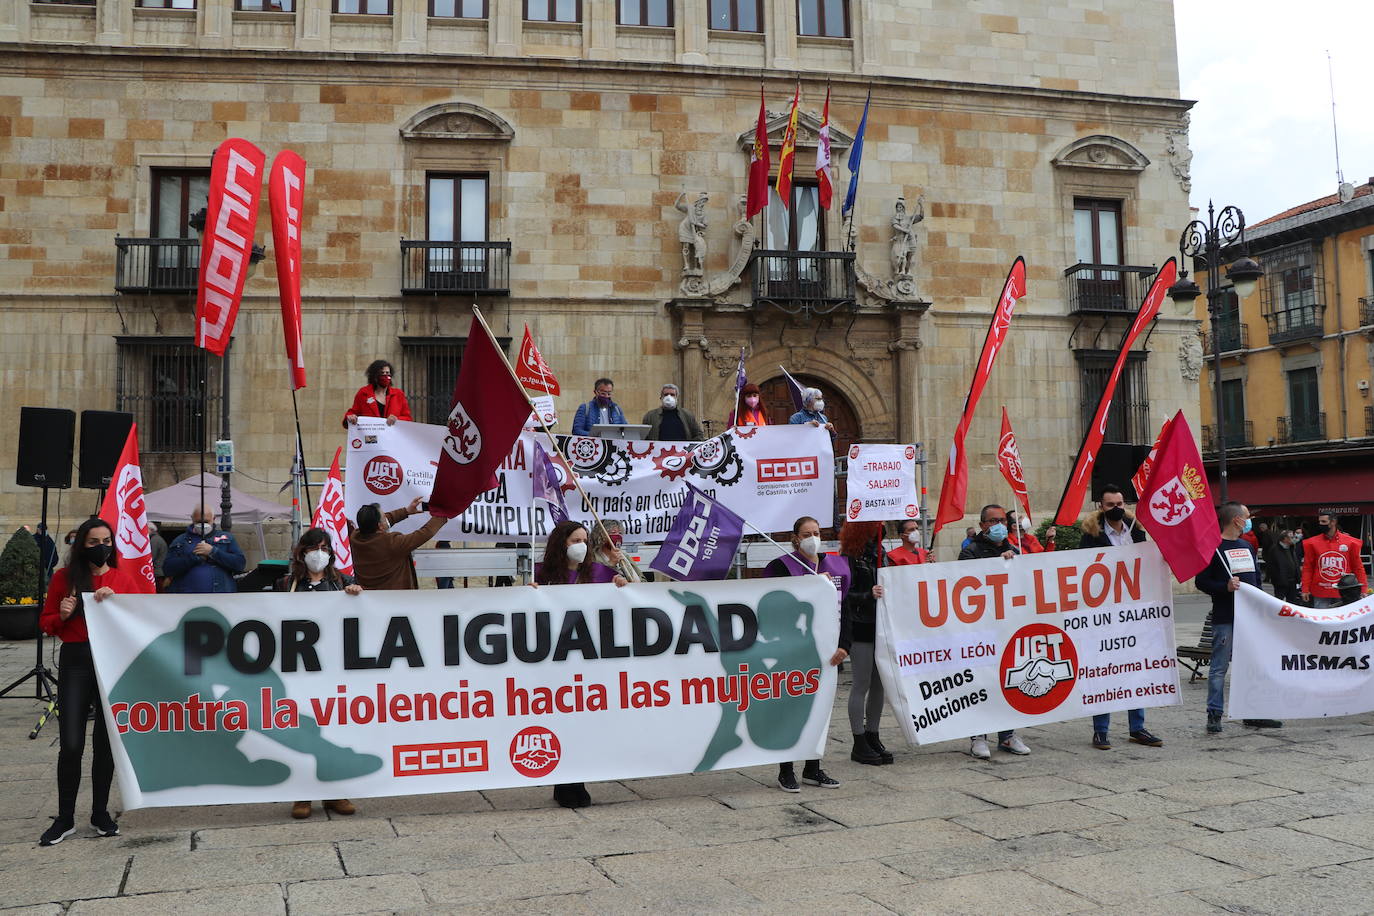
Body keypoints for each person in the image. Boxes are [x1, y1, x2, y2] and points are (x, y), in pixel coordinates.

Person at [38, 517, 146, 846]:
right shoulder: (63, 579)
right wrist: (63, 614)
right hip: (75, 661)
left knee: (105, 742)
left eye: (107, 540)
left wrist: (118, 602)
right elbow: (46, 623)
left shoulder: (122, 578)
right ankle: (65, 817)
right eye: (93, 541)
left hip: (111, 662)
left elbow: (139, 619)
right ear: (81, 545)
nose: (102, 547)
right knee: (71, 743)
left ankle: (100, 812)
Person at [532, 520, 627, 808]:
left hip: (589, 663)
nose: (581, 546)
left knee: (583, 722)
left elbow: (635, 598)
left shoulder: (598, 573)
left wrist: (622, 581)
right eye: (575, 540)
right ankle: (566, 783)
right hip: (556, 664)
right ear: (562, 544)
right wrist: (528, 593)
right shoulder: (542, 574)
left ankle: (575, 781)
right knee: (561, 721)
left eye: (585, 540)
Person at [274, 528, 364, 819]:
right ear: (302, 551)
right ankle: (302, 795)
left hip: (334, 672)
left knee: (335, 731)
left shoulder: (342, 582)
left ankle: (335, 793)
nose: (319, 554)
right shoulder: (286, 584)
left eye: (325, 548)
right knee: (301, 731)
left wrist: (356, 595)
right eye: (314, 548)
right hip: (298, 672)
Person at [763, 516, 848, 791]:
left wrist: (844, 645)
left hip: (826, 653)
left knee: (819, 711)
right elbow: (770, 606)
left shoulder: (835, 566)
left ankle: (813, 768)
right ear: (796, 538)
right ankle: (786, 769)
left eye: (816, 532)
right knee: (787, 710)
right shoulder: (779, 567)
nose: (813, 537)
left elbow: (844, 610)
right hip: (790, 651)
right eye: (807, 533)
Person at [1078, 485, 1162, 750]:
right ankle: (1100, 730)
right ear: (1101, 507)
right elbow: (1082, 569)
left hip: (1134, 611)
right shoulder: (1091, 534)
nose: (1117, 508)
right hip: (1104, 612)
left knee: (1136, 668)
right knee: (1103, 669)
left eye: (1120, 503)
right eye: (1110, 504)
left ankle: (1137, 727)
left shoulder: (1135, 530)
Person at [1195, 502, 1282, 733]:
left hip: (1251, 618)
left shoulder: (1246, 545)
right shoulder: (1213, 548)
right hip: (1226, 618)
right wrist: (1224, 587)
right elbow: (1201, 581)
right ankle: (1214, 714)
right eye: (1246, 516)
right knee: (1219, 668)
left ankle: (1252, 712)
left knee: (1254, 666)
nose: (1249, 519)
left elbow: (1254, 581)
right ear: (1236, 520)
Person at [958, 504, 1030, 758]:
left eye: (1002, 520)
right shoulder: (970, 552)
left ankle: (1007, 735)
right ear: (982, 525)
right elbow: (965, 585)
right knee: (982, 681)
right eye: (992, 521)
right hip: (980, 629)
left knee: (1009, 680)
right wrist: (996, 566)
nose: (998, 524)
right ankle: (978, 736)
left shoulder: (1013, 550)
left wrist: (1014, 562)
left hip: (1007, 626)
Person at [838, 521, 892, 766]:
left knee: (880, 684)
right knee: (861, 683)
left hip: (881, 626)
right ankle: (858, 741)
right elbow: (843, 594)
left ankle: (873, 734)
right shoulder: (850, 556)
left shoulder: (882, 555)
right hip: (861, 626)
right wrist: (867, 595)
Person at [350, 497, 445, 591]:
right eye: (384, 517)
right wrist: (443, 514)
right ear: (380, 526)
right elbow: (425, 533)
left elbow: (381, 523)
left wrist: (406, 511)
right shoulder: (392, 543)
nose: (386, 518)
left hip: (367, 599)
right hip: (395, 600)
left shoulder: (355, 537)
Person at [163, 506, 245, 594]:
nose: (202, 525)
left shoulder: (227, 538)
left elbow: (239, 564)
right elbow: (168, 569)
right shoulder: (180, 540)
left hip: (220, 596)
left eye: (206, 521)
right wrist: (193, 558)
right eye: (198, 522)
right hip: (186, 597)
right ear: (192, 519)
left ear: (213, 519)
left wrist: (213, 552)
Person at [1302, 513, 1368, 608]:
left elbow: (1358, 567)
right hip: (1320, 591)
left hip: (1344, 591)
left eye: (1323, 521)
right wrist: (1305, 589)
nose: (1320, 524)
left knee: (1345, 620)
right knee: (1322, 620)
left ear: (1333, 522)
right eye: (1319, 521)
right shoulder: (1312, 543)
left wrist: (1363, 589)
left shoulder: (1351, 542)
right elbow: (1308, 568)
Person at [343, 359, 412, 428]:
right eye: (382, 373)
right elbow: (352, 413)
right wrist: (351, 417)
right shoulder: (363, 393)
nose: (385, 376)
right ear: (374, 376)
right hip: (371, 436)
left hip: (391, 436)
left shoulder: (398, 394)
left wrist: (397, 420)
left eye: (387, 373)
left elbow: (408, 418)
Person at [1264, 528, 1302, 604]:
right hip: (1281, 582)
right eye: (1291, 537)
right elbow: (1271, 567)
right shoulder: (1274, 549)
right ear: (1285, 539)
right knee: (1278, 602)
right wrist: (1277, 579)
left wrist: (1298, 577)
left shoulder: (1291, 548)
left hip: (1293, 581)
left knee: (1292, 602)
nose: (1294, 539)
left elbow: (1294, 563)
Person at [148, 521, 168, 588]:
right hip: (160, 571)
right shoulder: (158, 539)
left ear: (151, 529)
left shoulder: (154, 540)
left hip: (156, 572)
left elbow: (151, 557)